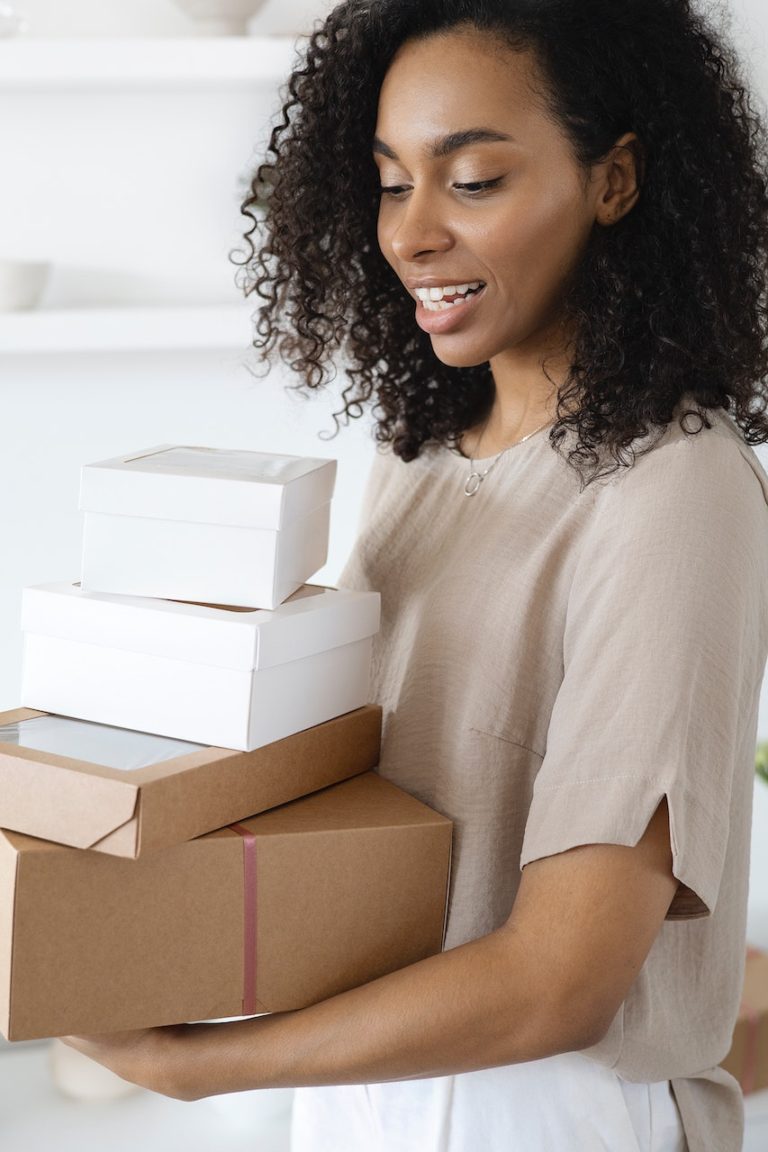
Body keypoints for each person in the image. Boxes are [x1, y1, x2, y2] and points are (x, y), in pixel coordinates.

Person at [62, 1, 768, 1150]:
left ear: (617, 181)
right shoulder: (422, 457)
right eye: (393, 183)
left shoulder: (674, 490)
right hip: (361, 1082)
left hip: (553, 1110)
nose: (411, 233)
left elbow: (561, 982)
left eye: (474, 180)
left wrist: (201, 1068)